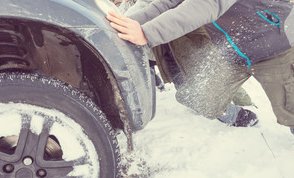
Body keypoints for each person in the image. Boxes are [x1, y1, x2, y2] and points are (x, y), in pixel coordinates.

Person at [107, 0, 294, 135]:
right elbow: (165, 3)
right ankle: (230, 114)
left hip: (275, 46)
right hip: (233, 51)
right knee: (200, 98)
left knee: (289, 107)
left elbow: (206, 4)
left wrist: (147, 33)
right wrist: (117, 26)